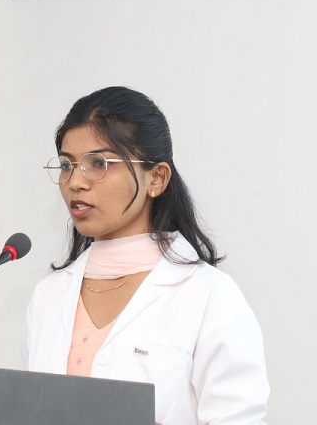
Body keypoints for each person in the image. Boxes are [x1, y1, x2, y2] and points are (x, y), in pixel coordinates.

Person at [22, 86, 268, 425]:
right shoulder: (48, 296)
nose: (75, 182)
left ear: (157, 178)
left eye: (99, 163)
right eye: (67, 165)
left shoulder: (209, 296)